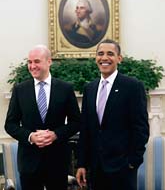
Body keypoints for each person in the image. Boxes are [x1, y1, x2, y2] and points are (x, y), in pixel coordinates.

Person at [76, 39, 149, 190]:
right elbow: (85, 130)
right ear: (96, 58)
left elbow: (140, 128)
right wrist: (81, 163)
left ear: (119, 59)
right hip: (96, 169)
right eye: (100, 54)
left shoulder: (132, 86)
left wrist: (132, 162)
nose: (104, 58)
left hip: (122, 168)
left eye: (110, 54)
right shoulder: (90, 88)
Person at [4, 45, 80, 190]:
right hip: (29, 163)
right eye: (30, 62)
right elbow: (10, 124)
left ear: (49, 62)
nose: (32, 66)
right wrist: (30, 136)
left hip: (57, 162)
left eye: (37, 61)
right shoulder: (20, 90)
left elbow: (76, 122)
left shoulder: (65, 89)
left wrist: (55, 135)